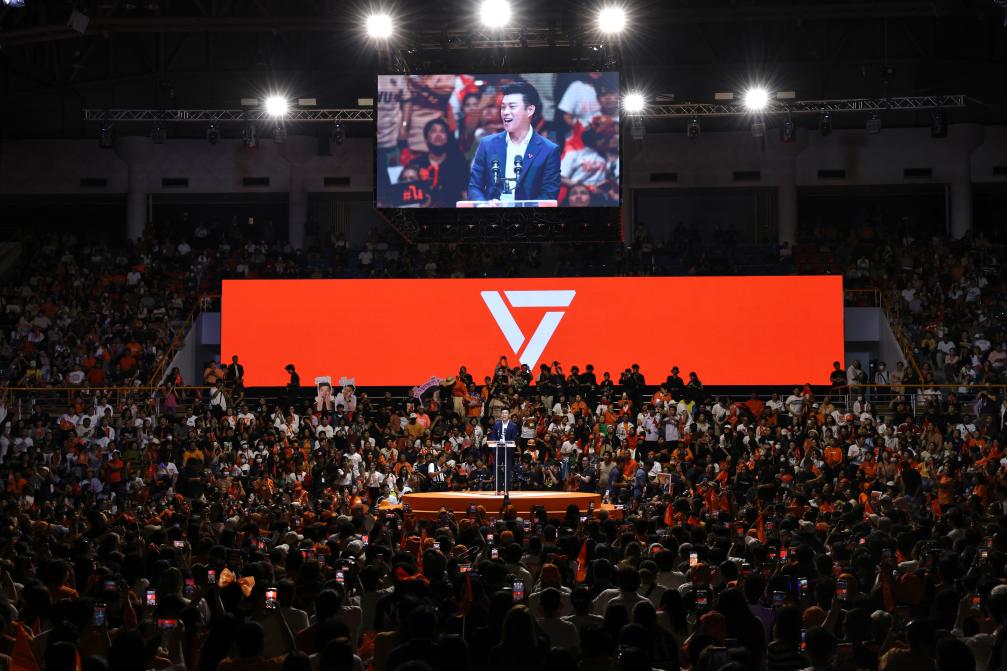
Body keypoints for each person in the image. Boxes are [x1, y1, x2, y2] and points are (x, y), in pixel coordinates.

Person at [467, 81, 561, 204]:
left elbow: (548, 195)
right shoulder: (487, 144)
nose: (505, 112)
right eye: (503, 107)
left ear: (530, 110)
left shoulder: (548, 150)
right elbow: (474, 187)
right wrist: (484, 205)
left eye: (512, 107)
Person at [490, 408, 520, 492]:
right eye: (502, 413)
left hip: (508, 451)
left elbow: (514, 438)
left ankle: (506, 489)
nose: (504, 415)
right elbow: (493, 437)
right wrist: (496, 445)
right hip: (498, 450)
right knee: (497, 469)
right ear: (501, 415)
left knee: (507, 470)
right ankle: (497, 488)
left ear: (509, 415)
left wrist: (506, 442)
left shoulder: (513, 426)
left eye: (506, 413)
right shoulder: (496, 425)